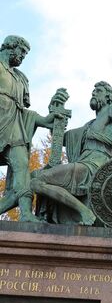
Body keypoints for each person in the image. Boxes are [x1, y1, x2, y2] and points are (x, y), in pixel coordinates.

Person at [23, 80, 112, 225]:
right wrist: (55, 111)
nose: (93, 93)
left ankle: (85, 213)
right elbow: (60, 139)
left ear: (108, 96)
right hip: (83, 164)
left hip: (96, 166)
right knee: (34, 177)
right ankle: (81, 211)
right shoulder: (88, 126)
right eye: (93, 91)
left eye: (98, 91)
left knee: (38, 181)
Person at [0, 34, 69, 221]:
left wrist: (48, 118)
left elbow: (23, 112)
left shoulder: (21, 78)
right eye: (21, 51)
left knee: (22, 167)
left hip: (14, 126)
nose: (22, 56)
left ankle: (25, 215)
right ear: (9, 46)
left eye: (25, 54)